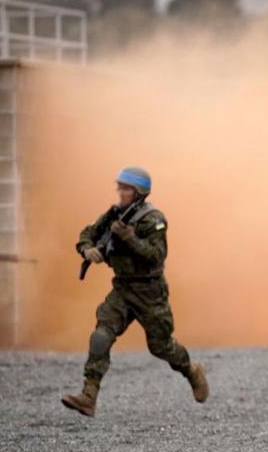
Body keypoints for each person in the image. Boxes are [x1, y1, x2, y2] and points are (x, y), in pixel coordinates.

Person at [61, 167, 208, 417]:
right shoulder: (114, 215)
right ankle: (89, 395)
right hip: (123, 287)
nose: (121, 192)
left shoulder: (154, 219)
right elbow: (88, 233)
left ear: (139, 192)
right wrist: (88, 250)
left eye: (126, 189)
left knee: (161, 347)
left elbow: (156, 255)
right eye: (120, 187)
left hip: (150, 291)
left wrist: (129, 238)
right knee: (101, 335)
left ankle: (192, 371)